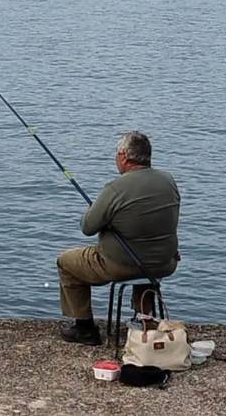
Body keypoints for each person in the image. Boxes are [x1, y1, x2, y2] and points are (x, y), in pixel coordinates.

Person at [57, 131, 180, 345]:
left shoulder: (116, 188)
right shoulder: (168, 180)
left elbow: (87, 227)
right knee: (144, 255)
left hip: (120, 265)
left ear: (123, 156)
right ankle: (145, 320)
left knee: (66, 262)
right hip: (163, 263)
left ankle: (84, 328)